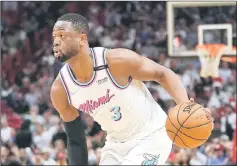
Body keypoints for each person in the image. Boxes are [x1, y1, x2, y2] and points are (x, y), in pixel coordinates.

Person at [50, 13, 206, 165]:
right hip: (115, 145)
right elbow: (76, 140)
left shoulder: (116, 61)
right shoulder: (60, 90)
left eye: (62, 36)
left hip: (151, 135)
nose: (56, 41)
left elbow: (162, 74)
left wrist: (186, 105)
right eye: (54, 37)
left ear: (82, 39)